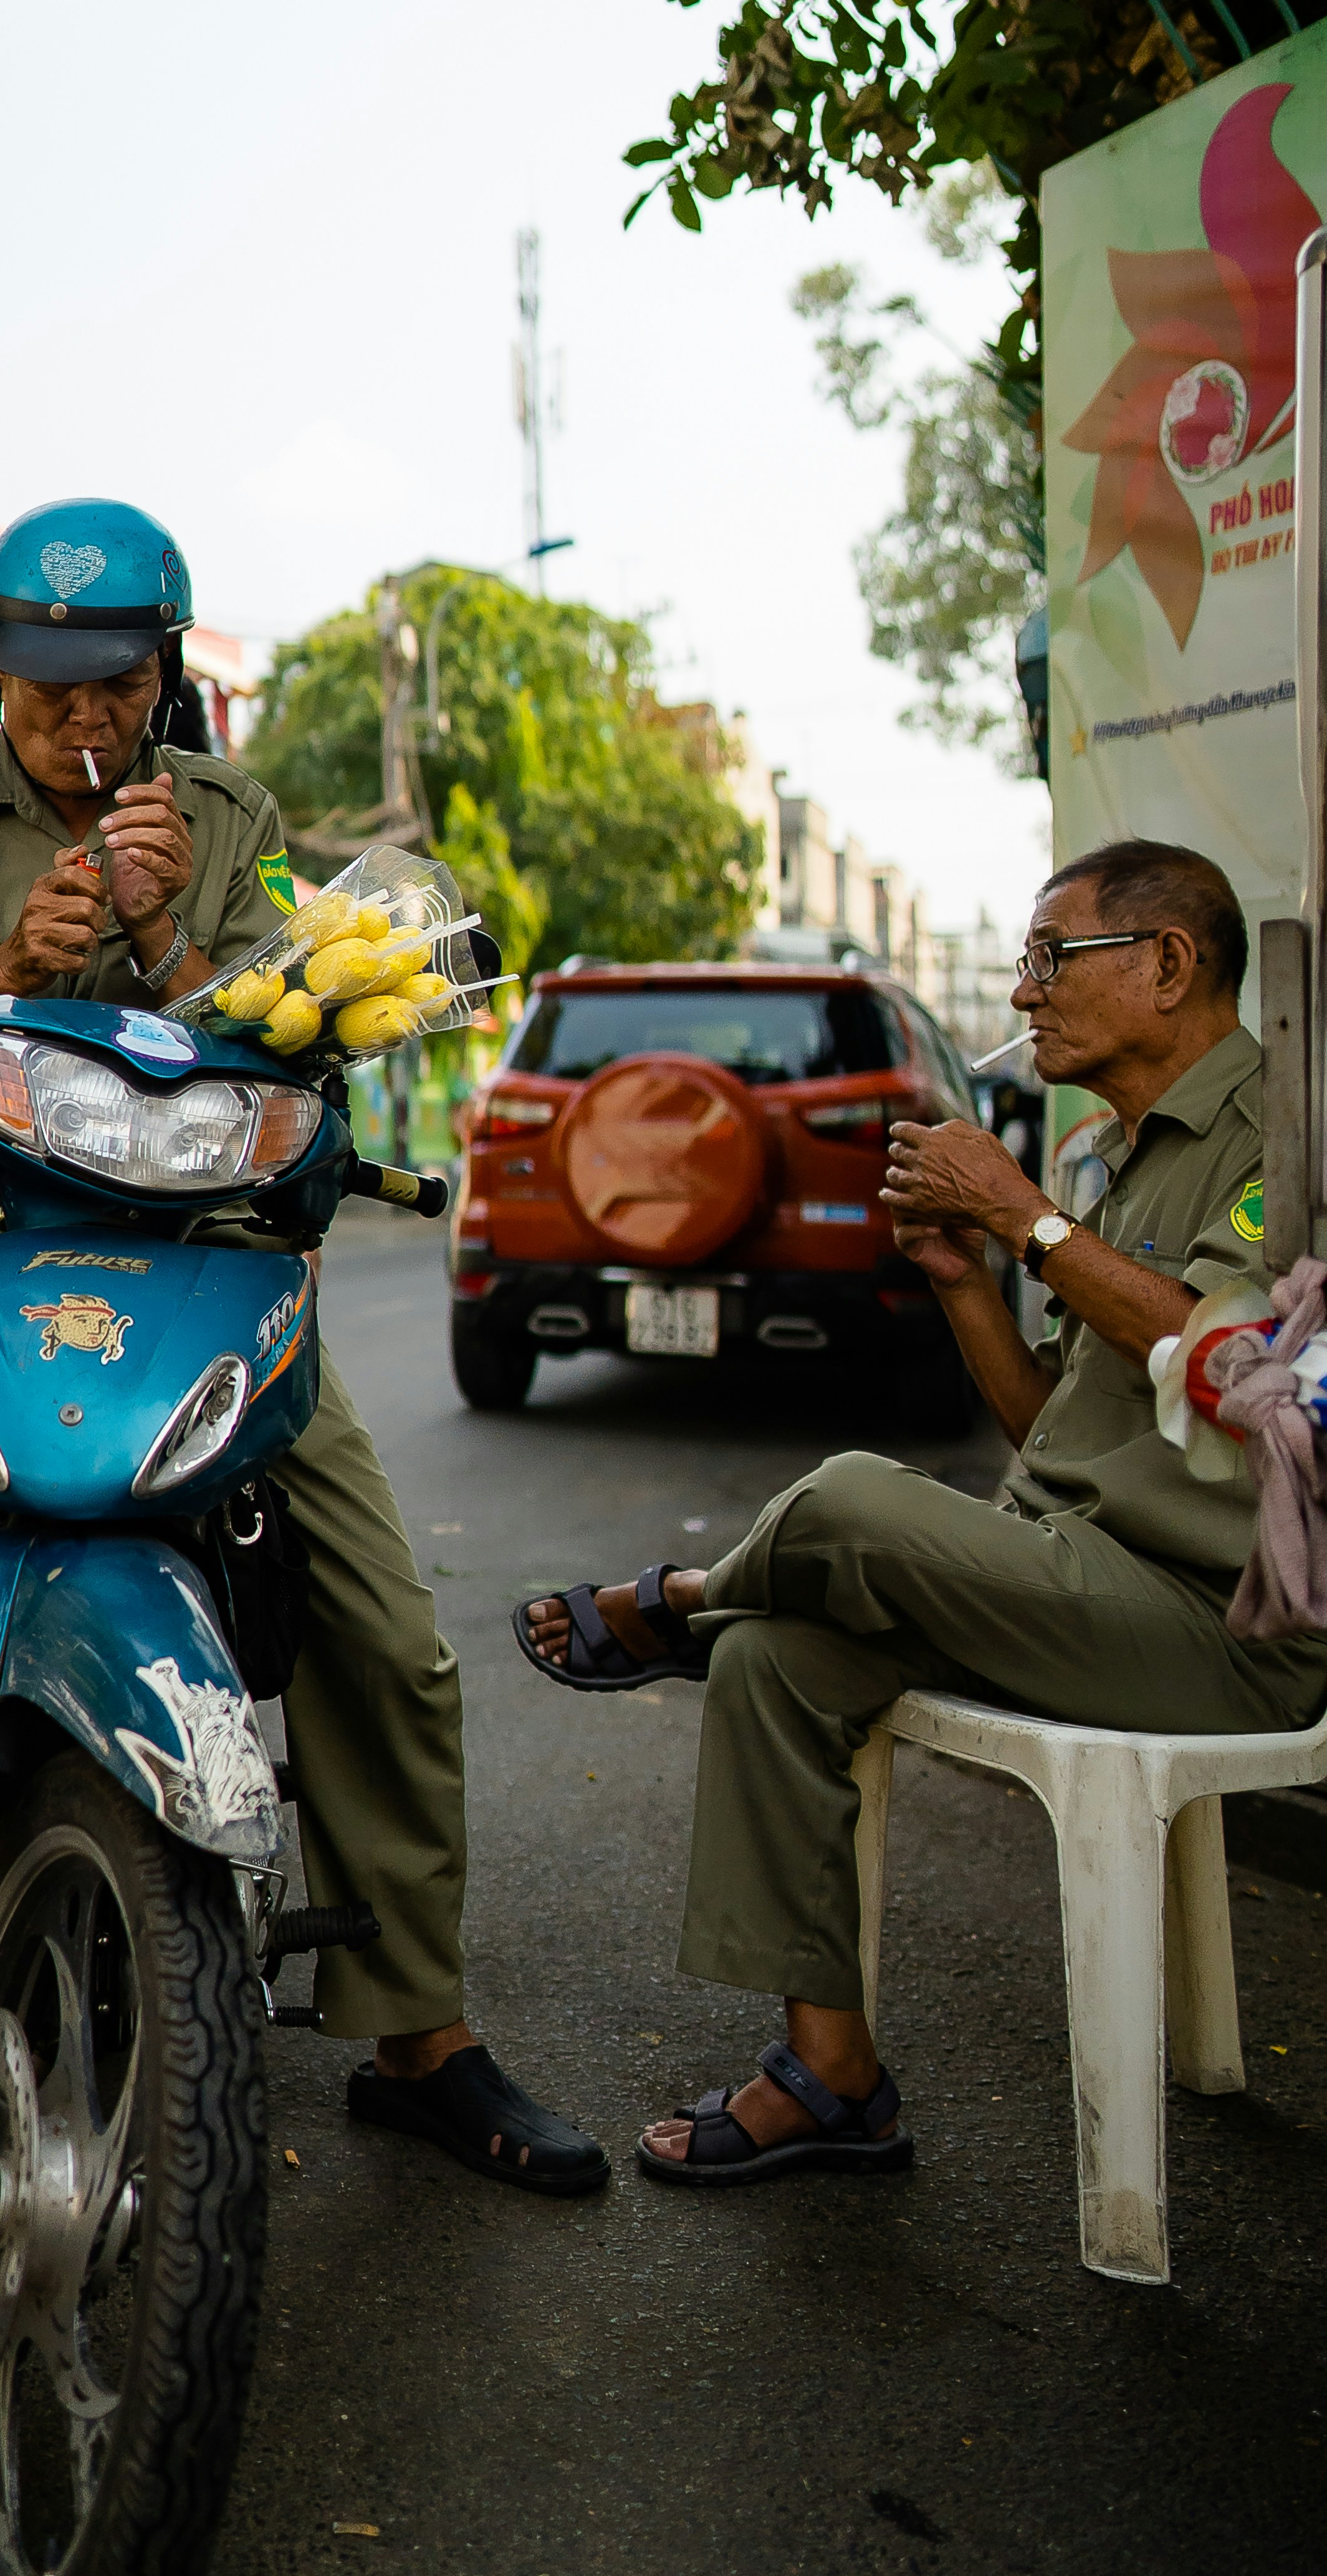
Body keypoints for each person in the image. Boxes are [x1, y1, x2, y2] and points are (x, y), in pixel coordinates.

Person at [0, 496, 606, 2195]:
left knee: (390, 1633)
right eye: (45, 689)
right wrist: (4, 964)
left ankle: (419, 2030)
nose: (81, 721)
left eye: (113, 687)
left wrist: (168, 944)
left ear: (165, 673)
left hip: (202, 1267)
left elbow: (300, 1044)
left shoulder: (232, 818)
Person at [518, 836, 1327, 2187]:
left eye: (1047, 959)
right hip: (1071, 1576)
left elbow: (1221, 1366)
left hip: (1216, 1626)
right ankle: (828, 2078)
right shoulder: (1116, 1161)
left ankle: (678, 1604)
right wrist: (966, 1277)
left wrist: (1023, 1221)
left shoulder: (1270, 1145)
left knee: (844, 1497)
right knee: (779, 1662)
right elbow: (1051, 1436)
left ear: (1167, 966)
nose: (1021, 996)